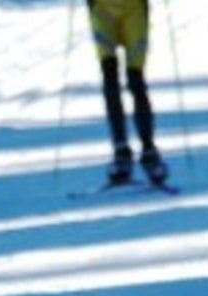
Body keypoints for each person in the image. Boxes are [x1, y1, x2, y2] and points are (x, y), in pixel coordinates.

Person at [86, 0, 168, 185]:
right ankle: (121, 150)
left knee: (136, 79)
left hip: (135, 10)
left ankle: (149, 150)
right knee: (110, 76)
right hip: (102, 10)